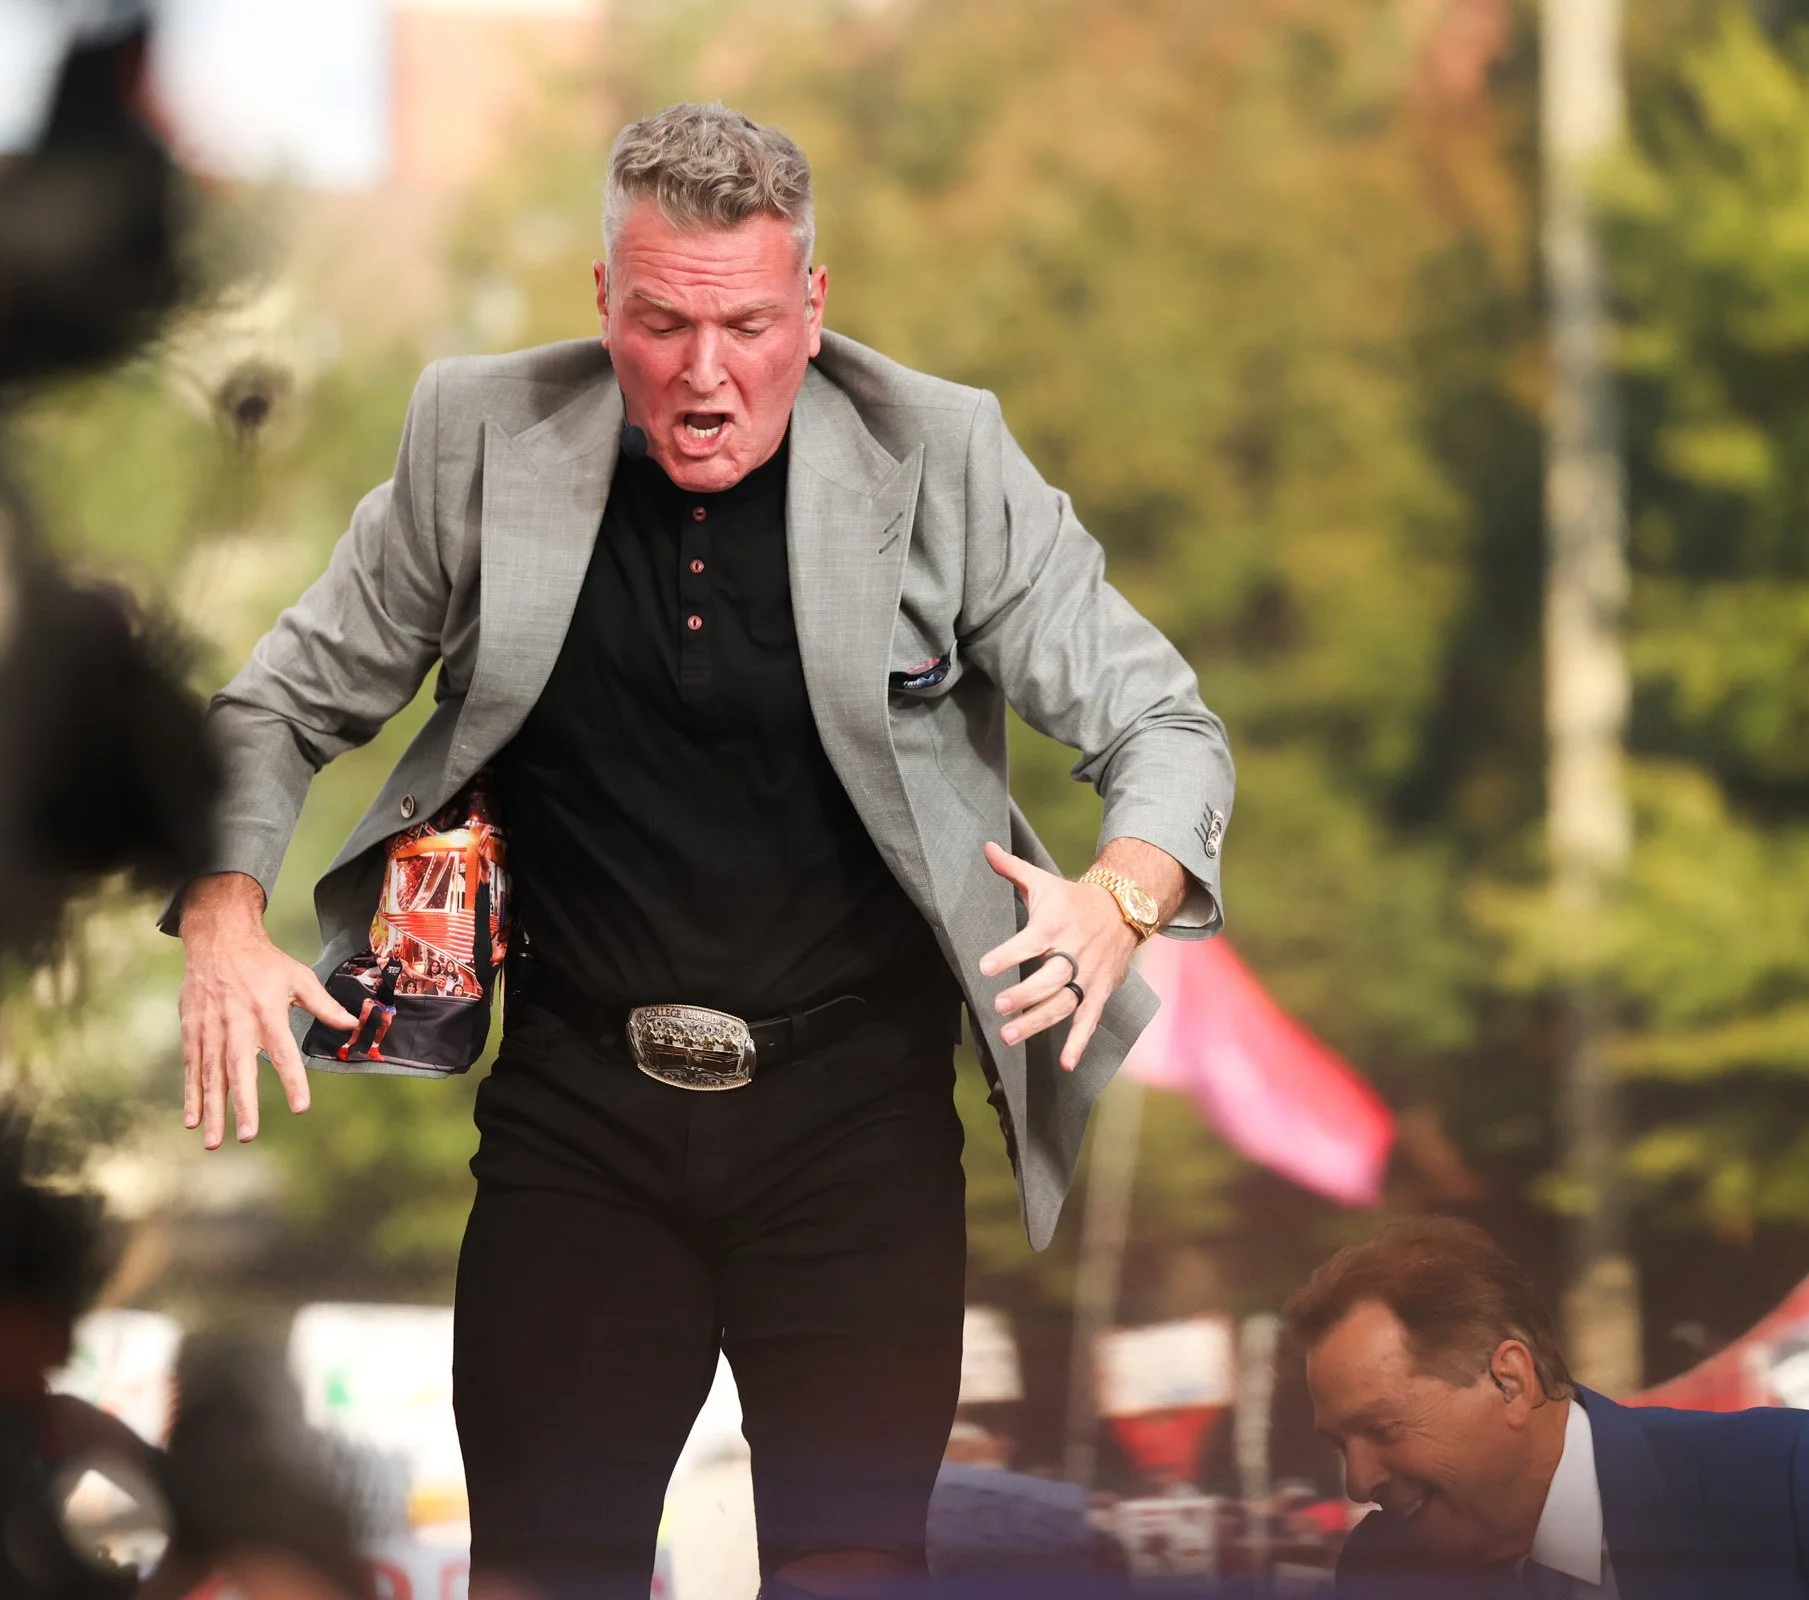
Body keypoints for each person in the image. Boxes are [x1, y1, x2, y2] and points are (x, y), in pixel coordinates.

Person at [170, 102, 1232, 1597]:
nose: (705, 372)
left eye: (744, 322)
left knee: (850, 1573)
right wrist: (224, 913)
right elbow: (273, 704)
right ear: (604, 301)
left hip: (855, 1128)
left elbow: (1168, 727)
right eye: (662, 323)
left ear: (814, 305)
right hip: (579, 1117)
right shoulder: (478, 439)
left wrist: (1121, 897)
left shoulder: (944, 455)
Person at [1286, 1216, 1809, 1598]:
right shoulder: (1385, 1571)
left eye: (1382, 1428)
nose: (1359, 1480)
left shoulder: (1785, 1486)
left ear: (1510, 1380)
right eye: (1342, 1444)